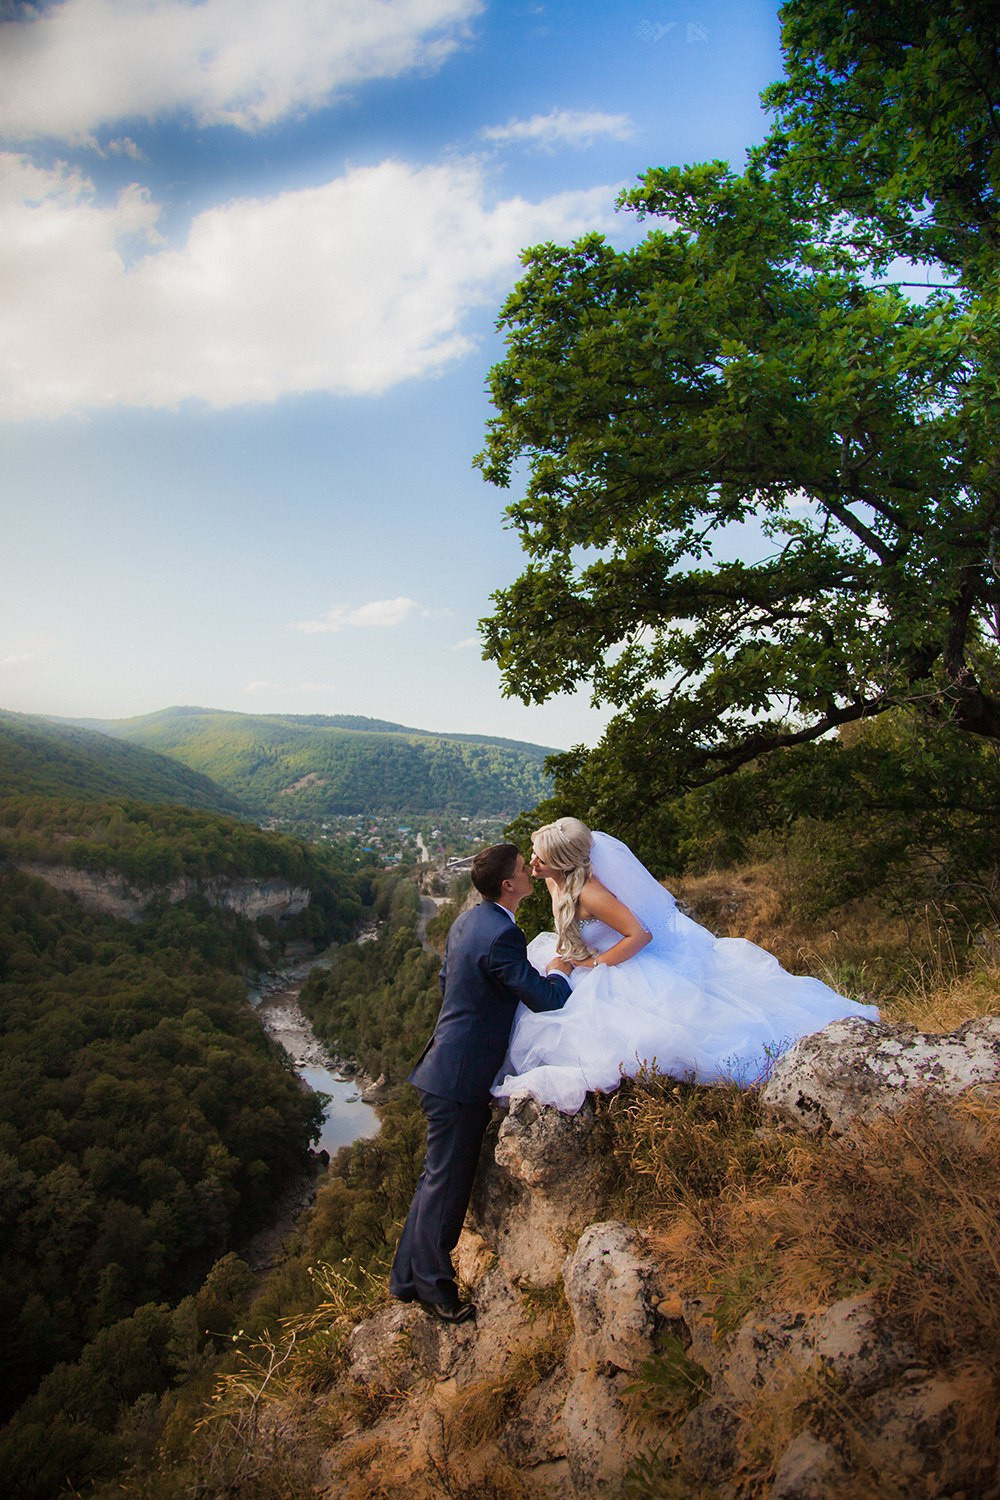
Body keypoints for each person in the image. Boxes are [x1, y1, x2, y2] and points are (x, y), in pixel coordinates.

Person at [492, 818, 880, 1115]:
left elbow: (639, 935)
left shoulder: (591, 893)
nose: (534, 862)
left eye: (540, 857)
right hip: (583, 956)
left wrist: (593, 964)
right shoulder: (554, 882)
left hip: (620, 965)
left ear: (560, 861)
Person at [390, 842, 572, 1323]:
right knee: (448, 1186)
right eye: (521, 868)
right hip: (458, 1078)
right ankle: (434, 1289)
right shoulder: (501, 936)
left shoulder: (468, 921)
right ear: (508, 885)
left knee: (435, 1179)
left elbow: (448, 980)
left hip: (445, 1065)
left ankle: (406, 1279)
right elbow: (542, 998)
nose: (530, 870)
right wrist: (560, 973)